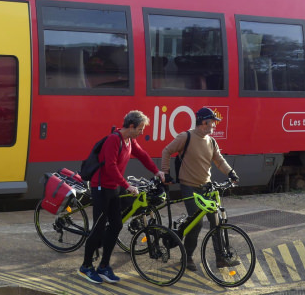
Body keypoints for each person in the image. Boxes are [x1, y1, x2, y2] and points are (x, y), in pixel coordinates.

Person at [78, 110, 166, 284]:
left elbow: (143, 155)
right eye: (140, 128)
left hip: (114, 188)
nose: (142, 132)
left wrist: (157, 172)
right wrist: (127, 185)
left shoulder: (130, 140)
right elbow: (110, 167)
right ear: (131, 126)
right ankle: (86, 267)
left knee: (116, 225)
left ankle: (103, 267)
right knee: (98, 227)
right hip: (102, 187)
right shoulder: (114, 139)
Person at [161, 107, 239, 271]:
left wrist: (231, 173)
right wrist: (166, 173)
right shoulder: (186, 137)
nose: (214, 126)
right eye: (212, 123)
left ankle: (220, 258)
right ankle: (187, 257)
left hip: (207, 187)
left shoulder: (211, 141)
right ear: (204, 122)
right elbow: (166, 151)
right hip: (189, 187)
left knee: (216, 221)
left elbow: (219, 160)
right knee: (196, 223)